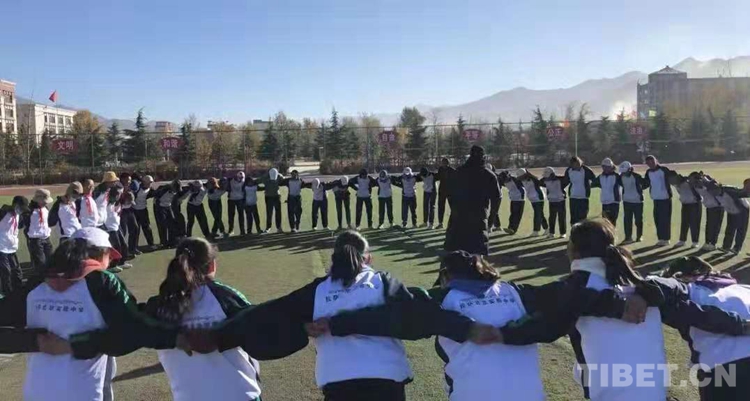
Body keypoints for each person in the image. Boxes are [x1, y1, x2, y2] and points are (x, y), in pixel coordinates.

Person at [321, 249, 652, 401]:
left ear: (447, 276)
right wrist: (622, 304)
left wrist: (335, 323)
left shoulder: (440, 298)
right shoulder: (518, 292)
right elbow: (573, 295)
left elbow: (386, 316)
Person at [212, 230, 483, 401]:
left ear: (334, 258)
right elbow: (420, 318)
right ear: (369, 258)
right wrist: (473, 328)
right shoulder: (382, 282)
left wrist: (217, 336)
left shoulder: (316, 291)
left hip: (338, 382)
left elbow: (267, 313)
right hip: (386, 380)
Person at [0, 227, 179, 401]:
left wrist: (35, 341)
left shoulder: (36, 284)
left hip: (36, 392)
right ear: (99, 254)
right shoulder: (101, 282)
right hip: (84, 393)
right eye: (109, 256)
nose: (110, 262)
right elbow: (132, 332)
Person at [145, 237, 264, 401]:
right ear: (212, 265)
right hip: (240, 395)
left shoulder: (157, 306)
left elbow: (132, 331)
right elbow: (258, 331)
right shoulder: (226, 297)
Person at [657, 256, 750, 400]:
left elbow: (658, 289)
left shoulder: (690, 291)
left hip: (727, 365)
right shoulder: (744, 289)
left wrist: (740, 325)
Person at [444, 145, 501, 255]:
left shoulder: (458, 172)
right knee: (476, 256)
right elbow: (497, 198)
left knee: (456, 254)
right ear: (483, 157)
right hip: (478, 219)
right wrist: (491, 220)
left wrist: (454, 210)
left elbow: (449, 193)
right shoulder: (488, 175)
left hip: (458, 219)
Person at [707, 180, 749, 254]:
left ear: (718, 187)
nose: (713, 192)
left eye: (714, 190)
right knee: (730, 228)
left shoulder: (729, 190)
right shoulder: (714, 193)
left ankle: (737, 248)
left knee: (740, 230)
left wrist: (747, 188)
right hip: (731, 210)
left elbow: (743, 193)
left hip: (742, 209)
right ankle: (726, 247)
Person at [0, 196, 28, 296]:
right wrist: (6, 209)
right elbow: (4, 208)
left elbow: (19, 226)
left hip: (11, 248)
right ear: (15, 205)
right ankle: (7, 294)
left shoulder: (19, 215)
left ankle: (18, 291)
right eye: (21, 208)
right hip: (1, 247)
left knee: (17, 271)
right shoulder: (4, 212)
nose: (22, 211)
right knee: (6, 272)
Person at [643, 155, 674, 246]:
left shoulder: (663, 170)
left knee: (665, 220)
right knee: (657, 219)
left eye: (652, 162)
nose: (651, 164)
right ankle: (661, 238)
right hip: (656, 199)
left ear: (656, 161)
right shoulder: (648, 172)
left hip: (665, 199)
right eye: (649, 163)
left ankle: (666, 239)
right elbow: (645, 183)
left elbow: (672, 178)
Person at [24, 189, 54, 279]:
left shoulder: (45, 209)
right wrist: (30, 238)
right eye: (44, 201)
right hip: (36, 240)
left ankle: (49, 278)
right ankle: (41, 281)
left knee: (51, 261)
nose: (46, 203)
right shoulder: (29, 210)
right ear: (38, 200)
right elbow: (25, 224)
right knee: (41, 263)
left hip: (46, 239)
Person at [692, 172, 724, 251]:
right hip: (709, 207)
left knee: (715, 226)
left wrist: (706, 180)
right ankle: (707, 242)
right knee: (709, 225)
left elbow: (716, 186)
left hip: (717, 207)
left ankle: (713, 244)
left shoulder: (708, 185)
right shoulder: (695, 186)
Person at [104, 186, 132, 273]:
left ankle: (122, 262)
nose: (120, 195)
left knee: (124, 245)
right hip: (110, 228)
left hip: (117, 226)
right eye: (118, 193)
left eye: (121, 193)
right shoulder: (107, 203)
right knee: (116, 247)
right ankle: (112, 266)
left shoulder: (118, 202)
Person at [671, 172, 702, 248]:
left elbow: (699, 197)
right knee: (684, 223)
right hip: (685, 205)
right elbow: (678, 189)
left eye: (693, 178)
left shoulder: (697, 185)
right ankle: (682, 240)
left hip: (695, 205)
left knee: (694, 224)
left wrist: (691, 185)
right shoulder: (682, 184)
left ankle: (695, 242)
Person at [618, 161, 646, 244]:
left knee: (638, 220)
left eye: (625, 171)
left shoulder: (637, 176)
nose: (623, 173)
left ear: (630, 169)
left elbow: (644, 184)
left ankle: (639, 236)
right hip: (626, 201)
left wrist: (640, 194)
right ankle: (628, 237)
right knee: (627, 220)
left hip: (637, 202)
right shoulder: (620, 177)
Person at [564, 157, 597, 225]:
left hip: (583, 198)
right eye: (574, 164)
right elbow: (565, 181)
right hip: (573, 197)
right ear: (571, 164)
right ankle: (573, 230)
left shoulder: (586, 170)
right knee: (573, 218)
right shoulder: (569, 170)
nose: (577, 166)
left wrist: (589, 186)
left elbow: (594, 179)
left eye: (578, 164)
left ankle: (583, 231)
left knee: (583, 218)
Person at [518, 168, 548, 237]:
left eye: (521, 177)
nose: (520, 179)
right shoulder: (522, 180)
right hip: (532, 199)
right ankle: (547, 229)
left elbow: (539, 182)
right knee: (540, 214)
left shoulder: (533, 179)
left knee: (537, 214)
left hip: (538, 197)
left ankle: (536, 231)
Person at [592, 158, 621, 226]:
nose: (605, 168)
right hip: (605, 202)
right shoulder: (601, 177)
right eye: (604, 167)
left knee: (612, 222)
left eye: (607, 167)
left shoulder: (617, 176)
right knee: (605, 223)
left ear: (611, 167)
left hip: (614, 202)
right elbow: (592, 184)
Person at [541, 166, 568, 238]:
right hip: (552, 201)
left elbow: (567, 179)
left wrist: (556, 177)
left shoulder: (560, 180)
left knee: (561, 217)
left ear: (552, 174)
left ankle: (563, 233)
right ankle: (551, 232)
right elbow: (539, 182)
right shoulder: (545, 180)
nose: (546, 177)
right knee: (552, 218)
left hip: (560, 200)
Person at [132, 175, 156, 251]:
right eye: (148, 182)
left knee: (147, 228)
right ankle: (134, 246)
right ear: (144, 182)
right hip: (135, 210)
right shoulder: (137, 188)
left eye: (151, 182)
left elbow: (154, 194)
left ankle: (151, 244)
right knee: (136, 229)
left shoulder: (150, 189)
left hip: (143, 210)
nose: (149, 184)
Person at [154, 179, 180, 249]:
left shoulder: (177, 190)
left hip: (168, 206)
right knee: (163, 225)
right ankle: (164, 243)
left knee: (172, 223)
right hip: (160, 207)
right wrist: (158, 206)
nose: (175, 191)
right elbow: (156, 196)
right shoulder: (164, 189)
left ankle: (172, 242)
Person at [118, 173, 139, 257]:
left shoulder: (129, 187)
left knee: (135, 228)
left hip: (129, 210)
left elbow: (132, 198)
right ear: (122, 179)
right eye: (127, 180)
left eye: (130, 180)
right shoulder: (118, 188)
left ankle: (132, 249)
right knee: (123, 232)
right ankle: (122, 253)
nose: (129, 182)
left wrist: (131, 198)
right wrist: (124, 199)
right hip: (121, 211)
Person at [501, 169, 525, 235]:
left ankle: (513, 229)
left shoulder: (514, 179)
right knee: (513, 214)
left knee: (517, 215)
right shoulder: (503, 181)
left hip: (520, 199)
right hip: (513, 198)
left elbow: (523, 184)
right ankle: (510, 227)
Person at [263, 168, 284, 233]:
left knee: (278, 213)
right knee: (269, 213)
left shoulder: (278, 177)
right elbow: (258, 181)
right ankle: (268, 227)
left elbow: (282, 178)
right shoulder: (265, 178)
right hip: (268, 197)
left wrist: (279, 175)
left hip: (276, 196)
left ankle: (279, 227)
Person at [436, 158, 455, 229]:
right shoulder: (440, 169)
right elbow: (438, 177)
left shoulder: (452, 170)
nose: (443, 164)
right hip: (442, 191)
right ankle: (440, 223)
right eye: (442, 162)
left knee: (453, 208)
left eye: (444, 162)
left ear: (447, 163)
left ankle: (453, 224)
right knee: (441, 207)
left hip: (450, 192)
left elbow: (455, 181)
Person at [227, 171, 247, 236]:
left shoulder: (244, 181)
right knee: (231, 215)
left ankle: (242, 230)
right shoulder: (230, 180)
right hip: (231, 199)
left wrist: (244, 199)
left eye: (242, 178)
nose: (241, 179)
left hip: (240, 199)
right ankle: (231, 230)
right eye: (240, 178)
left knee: (241, 215)